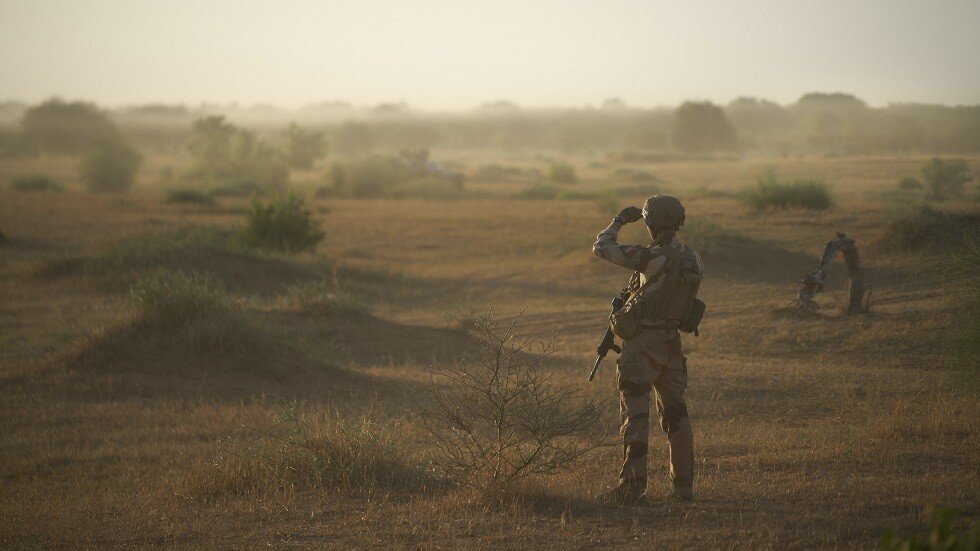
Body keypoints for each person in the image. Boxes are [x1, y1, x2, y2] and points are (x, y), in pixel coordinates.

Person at [592, 195, 703, 504]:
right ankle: (683, 487)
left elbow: (601, 247)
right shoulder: (693, 258)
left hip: (642, 346)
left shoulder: (651, 257)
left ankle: (632, 487)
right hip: (672, 344)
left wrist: (618, 221)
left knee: (636, 416)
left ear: (651, 224)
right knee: (677, 416)